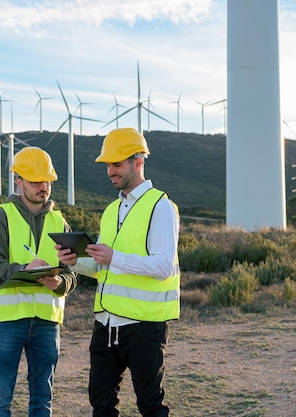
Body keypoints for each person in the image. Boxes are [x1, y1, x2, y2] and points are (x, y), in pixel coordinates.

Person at [55, 127, 180, 417]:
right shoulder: (111, 210)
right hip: (106, 324)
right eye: (108, 164)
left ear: (138, 162)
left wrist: (115, 257)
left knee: (150, 405)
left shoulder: (161, 207)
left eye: (117, 164)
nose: (110, 171)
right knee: (101, 404)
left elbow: (163, 266)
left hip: (144, 326)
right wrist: (73, 261)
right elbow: (103, 267)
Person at [0, 146, 78, 417]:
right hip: (7, 321)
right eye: (36, 181)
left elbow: (72, 274)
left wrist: (59, 283)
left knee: (42, 400)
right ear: (18, 181)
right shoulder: (2, 217)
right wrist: (25, 268)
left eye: (47, 181)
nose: (43, 187)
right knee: (0, 400)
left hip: (47, 323)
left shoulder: (60, 221)